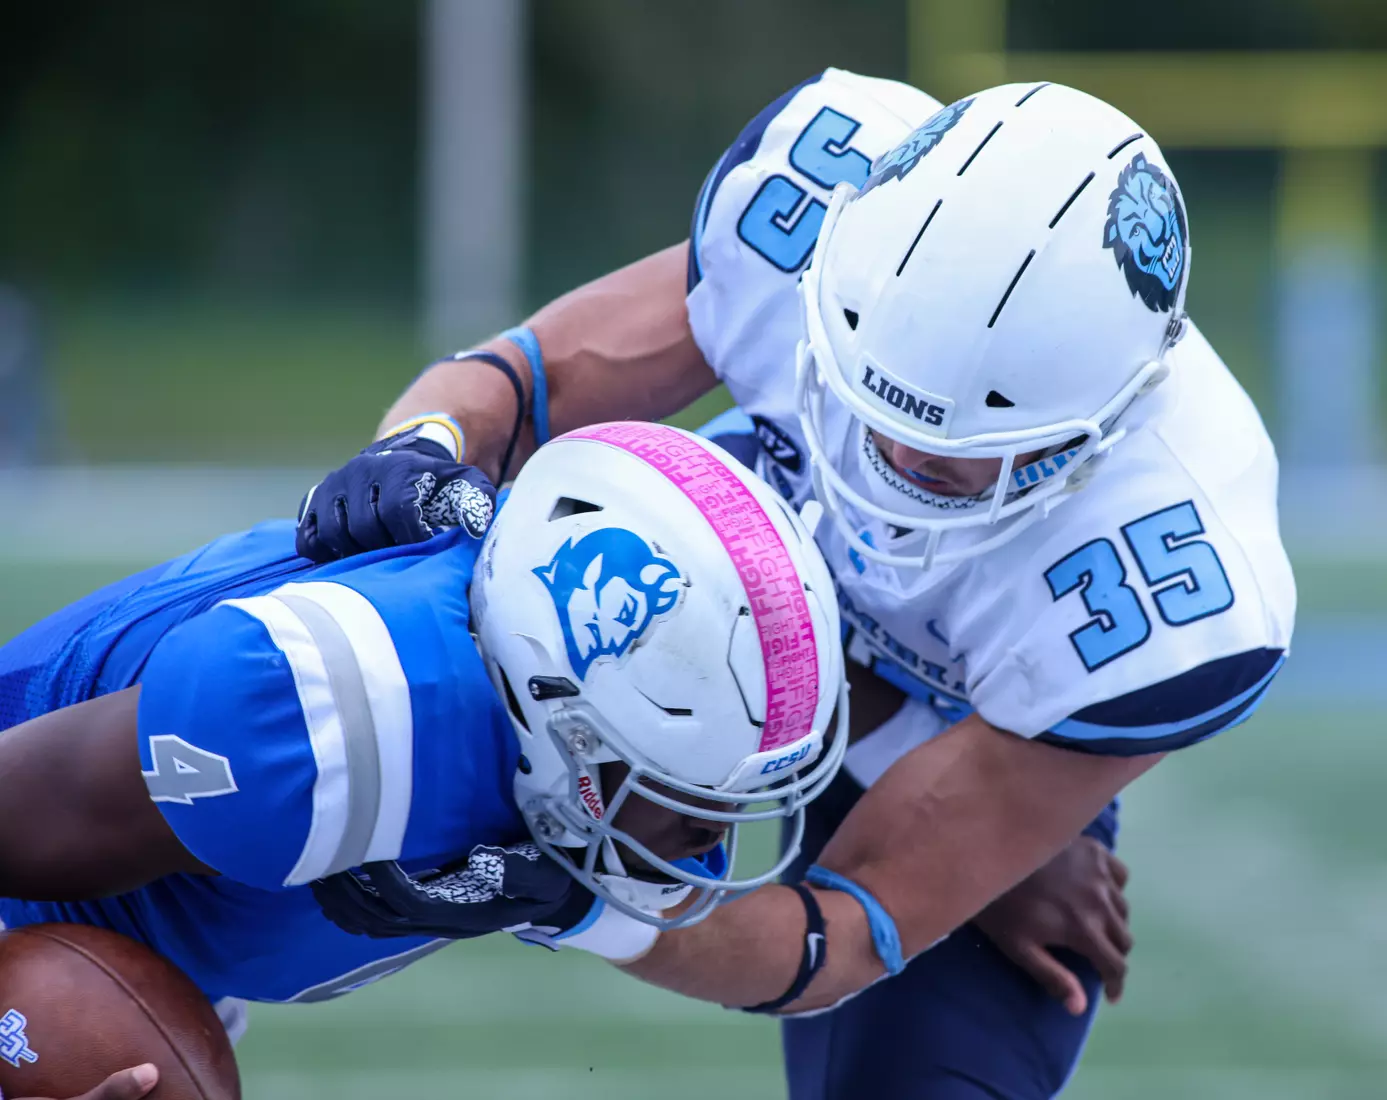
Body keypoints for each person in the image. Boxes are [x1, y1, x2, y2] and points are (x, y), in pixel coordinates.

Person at [297, 74, 1295, 1097]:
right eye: (871, 407)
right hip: (697, 582)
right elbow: (530, 378)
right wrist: (424, 444)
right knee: (317, 698)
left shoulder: (1179, 577)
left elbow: (840, 932)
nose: (893, 465)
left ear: (1107, 422)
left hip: (966, 719)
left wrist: (585, 908)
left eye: (952, 456)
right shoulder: (814, 203)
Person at [0, 424, 846, 1094]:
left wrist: (574, 909)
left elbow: (780, 958)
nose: (710, 836)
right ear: (561, 712)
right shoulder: (339, 712)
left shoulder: (556, 698)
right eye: (687, 785)